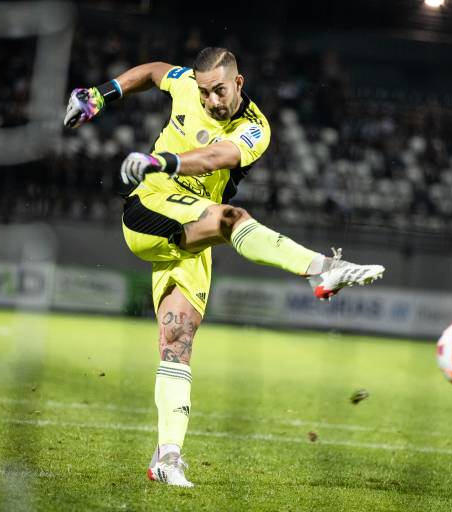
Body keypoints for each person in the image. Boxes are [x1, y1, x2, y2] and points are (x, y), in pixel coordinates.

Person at [63, 47, 385, 487]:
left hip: (194, 231)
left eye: (218, 91)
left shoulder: (255, 128)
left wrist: (164, 160)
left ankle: (167, 457)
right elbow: (155, 71)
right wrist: (103, 94)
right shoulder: (185, 85)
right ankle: (320, 268)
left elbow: (217, 157)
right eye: (204, 92)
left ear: (238, 83)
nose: (211, 100)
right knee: (233, 218)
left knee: (177, 341)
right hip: (150, 207)